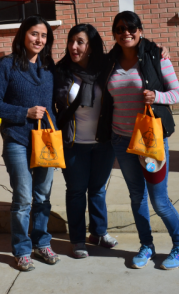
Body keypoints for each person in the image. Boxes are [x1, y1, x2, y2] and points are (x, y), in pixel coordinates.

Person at [96, 11, 179, 270]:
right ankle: (146, 245)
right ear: (114, 34)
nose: (126, 33)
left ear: (140, 30)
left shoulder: (156, 56)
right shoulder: (110, 62)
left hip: (150, 141)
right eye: (120, 29)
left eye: (131, 28)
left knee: (159, 200)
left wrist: (157, 97)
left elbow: (177, 94)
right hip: (121, 139)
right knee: (137, 196)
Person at [0, 15, 59, 272]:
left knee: (43, 196)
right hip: (17, 140)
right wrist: (24, 113)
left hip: (45, 141)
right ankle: (22, 249)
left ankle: (42, 243)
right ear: (23, 35)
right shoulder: (7, 65)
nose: (39, 39)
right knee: (24, 198)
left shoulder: (49, 67)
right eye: (34, 33)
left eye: (44, 35)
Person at [53, 24, 118, 259]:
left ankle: (99, 233)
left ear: (91, 46)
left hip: (103, 142)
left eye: (80, 42)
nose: (73, 47)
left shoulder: (106, 68)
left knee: (98, 189)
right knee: (76, 191)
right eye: (71, 41)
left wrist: (158, 49)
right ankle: (78, 239)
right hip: (73, 144)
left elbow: (132, 52)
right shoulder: (61, 71)